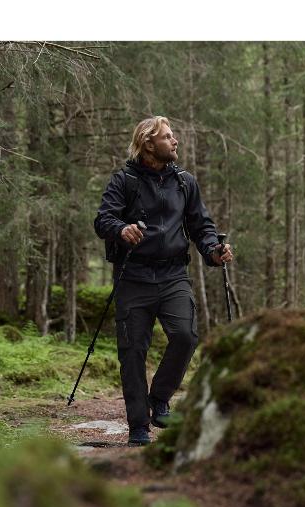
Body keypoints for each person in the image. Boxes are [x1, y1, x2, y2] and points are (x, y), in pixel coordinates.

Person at [93, 116, 234, 446]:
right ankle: (138, 425)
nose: (175, 141)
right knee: (132, 353)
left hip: (173, 274)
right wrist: (121, 229)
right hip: (133, 277)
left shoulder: (184, 183)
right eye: (167, 137)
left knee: (185, 336)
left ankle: (159, 401)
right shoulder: (124, 181)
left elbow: (202, 226)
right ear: (148, 144)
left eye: (173, 136)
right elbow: (103, 219)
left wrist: (214, 251)